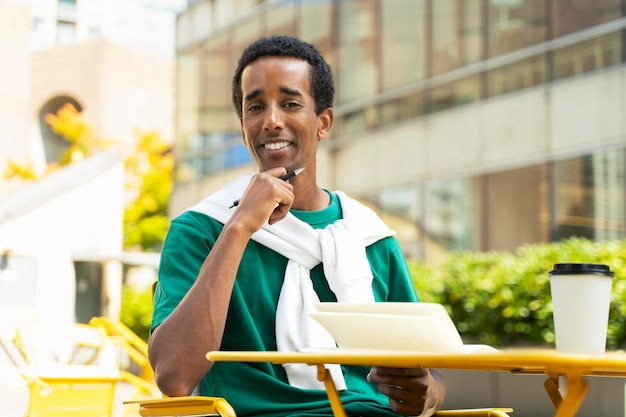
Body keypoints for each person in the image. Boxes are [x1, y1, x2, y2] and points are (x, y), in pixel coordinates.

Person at [148, 35, 445, 417]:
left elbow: (427, 374)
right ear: (243, 127)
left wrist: (427, 395)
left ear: (323, 123)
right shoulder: (203, 229)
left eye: (290, 103)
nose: (271, 121)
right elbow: (174, 377)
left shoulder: (369, 235)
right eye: (255, 107)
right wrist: (239, 226)